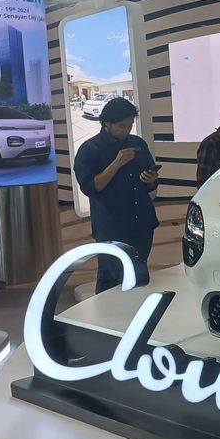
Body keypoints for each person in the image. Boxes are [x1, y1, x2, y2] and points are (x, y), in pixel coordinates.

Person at [74, 98, 160, 294]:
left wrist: (151, 179)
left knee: (137, 276)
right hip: (112, 226)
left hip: (142, 222)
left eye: (130, 125)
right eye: (122, 126)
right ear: (107, 123)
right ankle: (107, 312)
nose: (126, 130)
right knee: (112, 277)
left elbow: (150, 184)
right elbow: (91, 188)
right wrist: (116, 163)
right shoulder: (90, 149)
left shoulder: (138, 143)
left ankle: (133, 311)